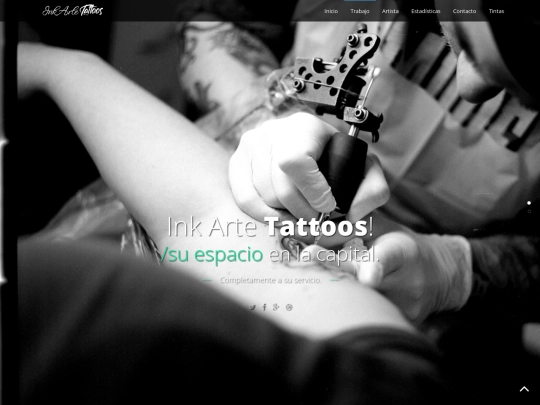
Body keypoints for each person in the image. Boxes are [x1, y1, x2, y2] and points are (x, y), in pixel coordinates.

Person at [17, 42, 454, 403]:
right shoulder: (385, 381)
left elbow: (204, 217)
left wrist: (460, 266)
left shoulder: (50, 301)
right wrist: (66, 68)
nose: (468, 85)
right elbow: (205, 217)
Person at [175, 0, 540, 326]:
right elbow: (216, 16)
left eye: (528, 96)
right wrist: (262, 122)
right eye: (468, 42)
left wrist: (452, 269)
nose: (468, 87)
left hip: (399, 292)